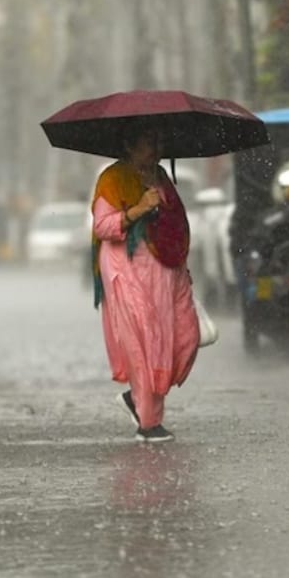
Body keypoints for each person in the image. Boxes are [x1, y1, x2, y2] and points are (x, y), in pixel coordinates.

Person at [91, 126, 199, 443]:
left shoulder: (161, 176)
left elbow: (174, 224)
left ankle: (137, 398)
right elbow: (102, 227)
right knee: (146, 344)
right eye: (149, 142)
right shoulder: (112, 179)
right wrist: (139, 208)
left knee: (185, 337)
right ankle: (149, 424)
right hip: (128, 271)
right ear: (129, 145)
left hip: (168, 269)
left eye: (159, 141)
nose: (157, 148)